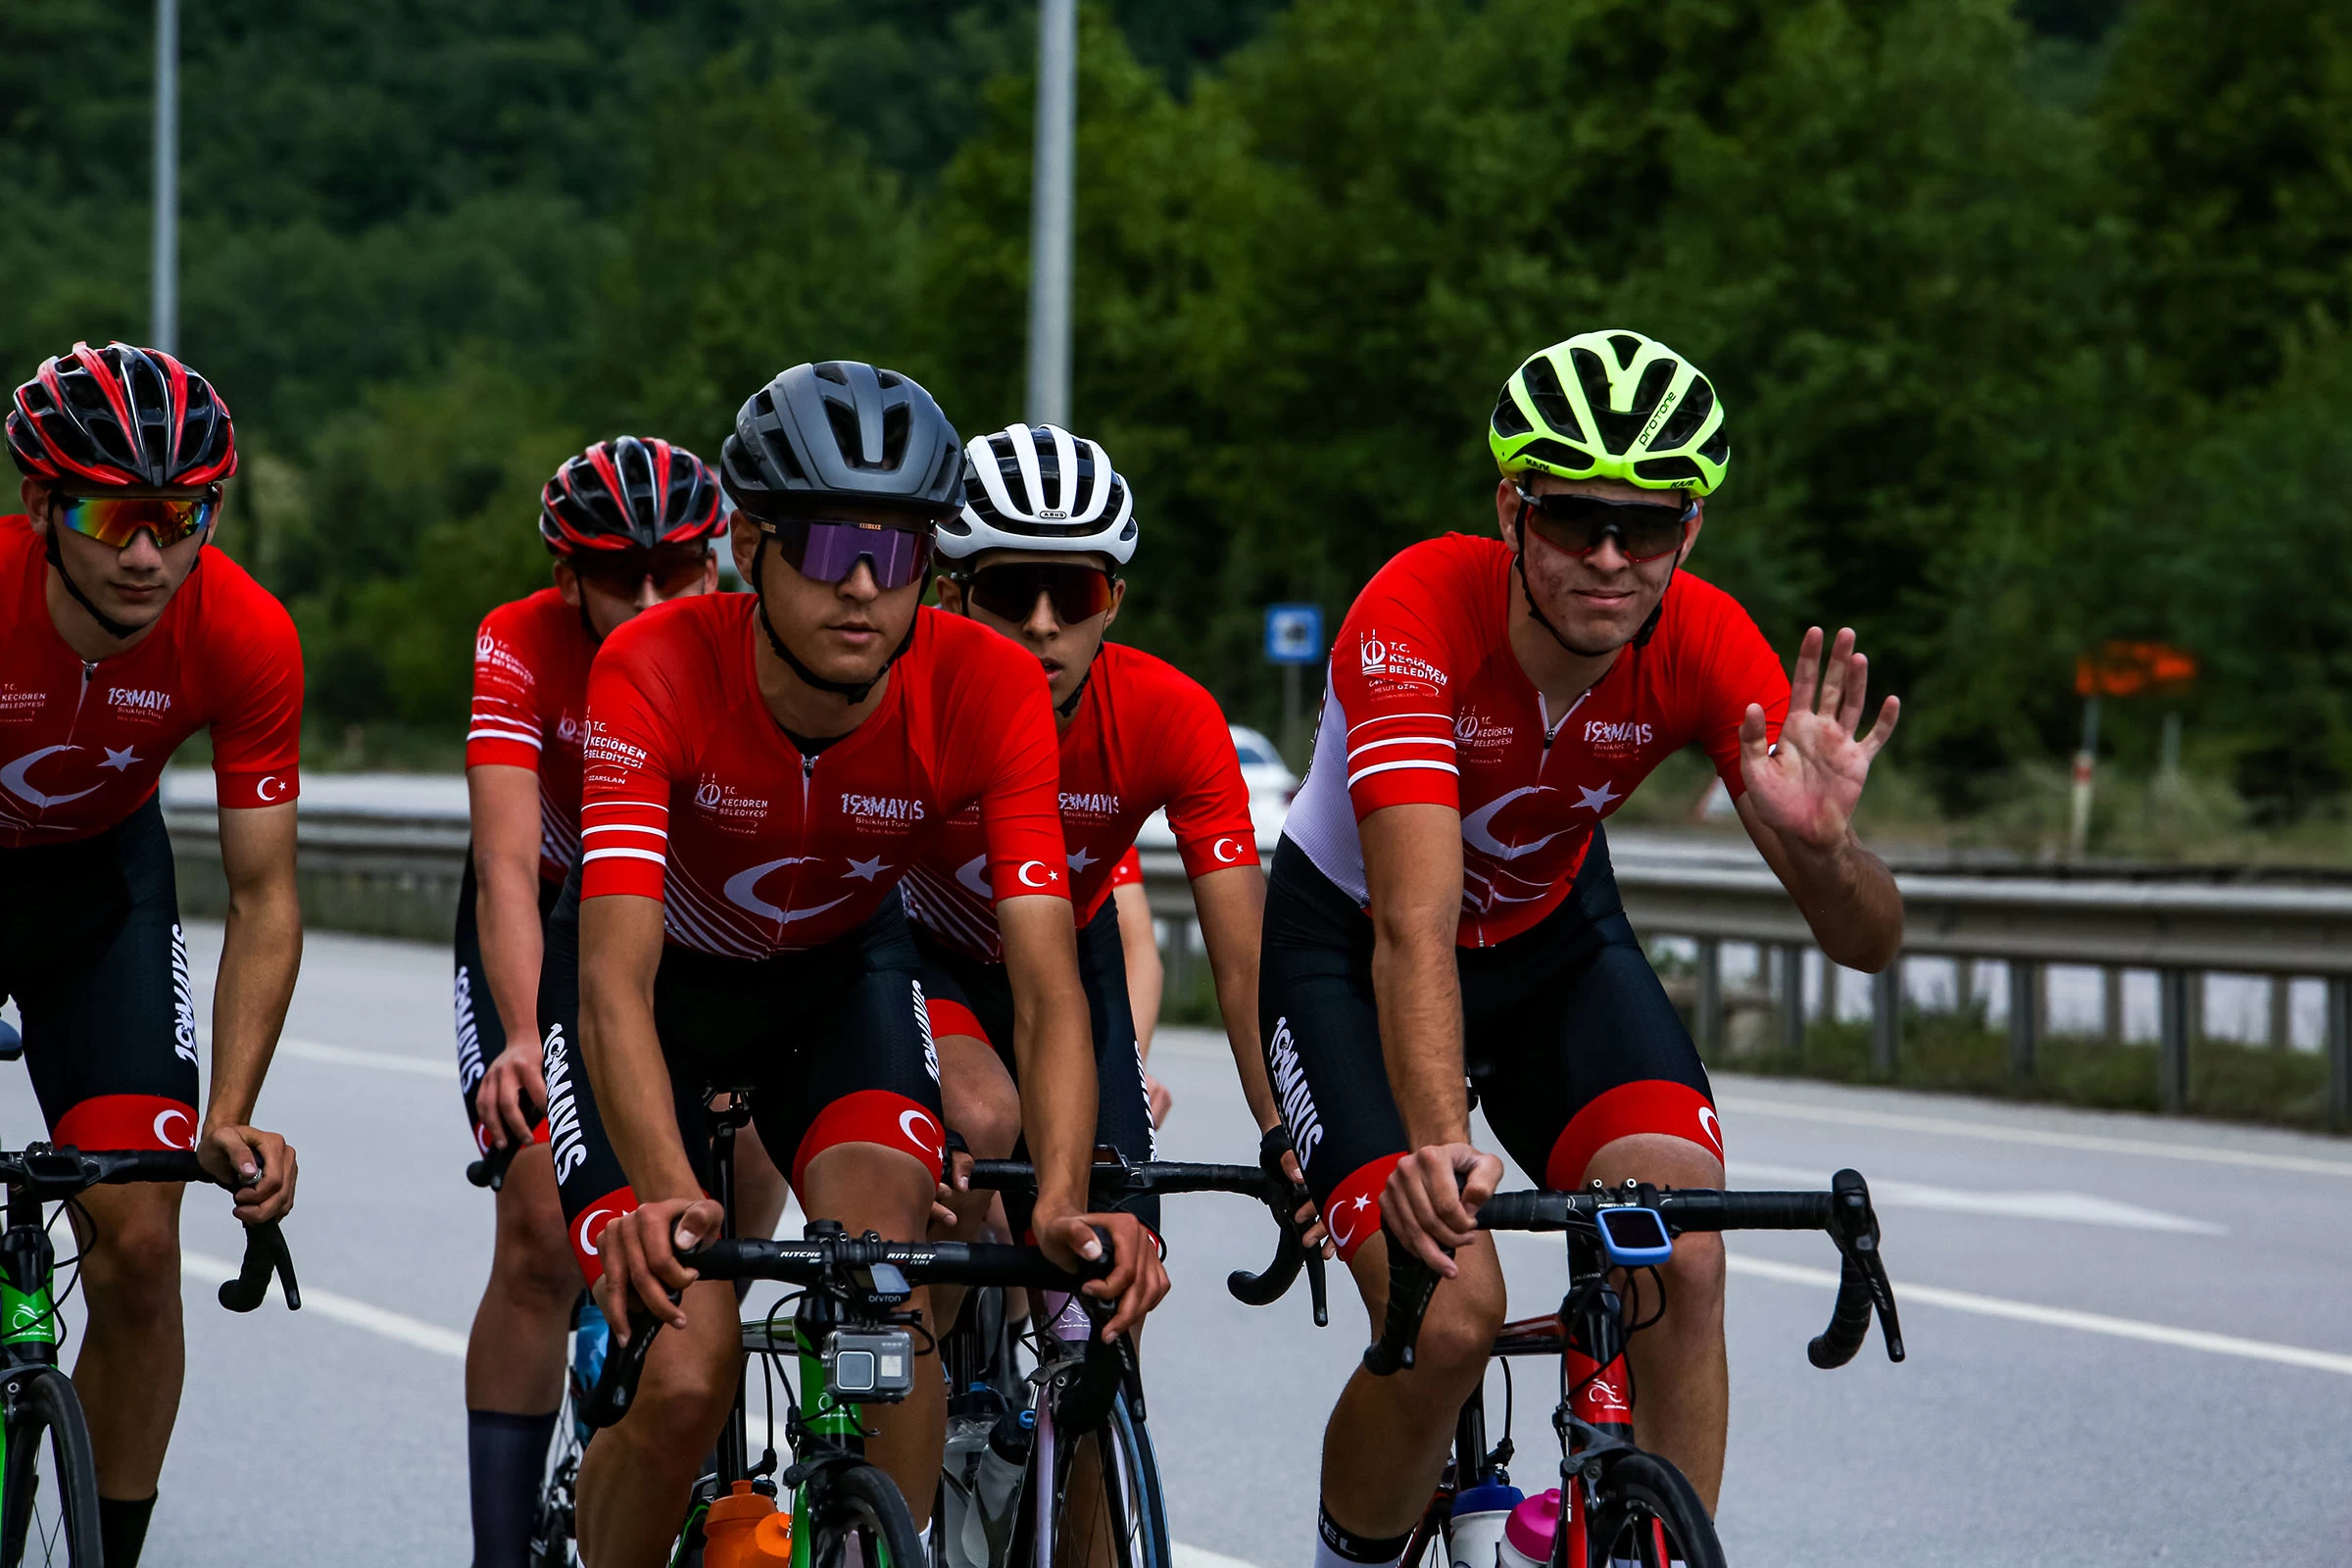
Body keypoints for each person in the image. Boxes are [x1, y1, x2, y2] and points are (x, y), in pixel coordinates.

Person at [1262, 329, 1903, 1568]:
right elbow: (1410, 924)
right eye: (1572, 521)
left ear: (1690, 531)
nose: (1609, 558)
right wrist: (1441, 1147)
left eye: (1647, 527)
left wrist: (1826, 852)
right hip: (1353, 950)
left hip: (1555, 943)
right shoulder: (1413, 613)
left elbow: (1867, 944)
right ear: (1512, 508)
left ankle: (1650, 1547)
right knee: (1449, 1314)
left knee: (1683, 1249)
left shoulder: (1709, 644)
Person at [541, 363, 1168, 1565]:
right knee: (687, 1372)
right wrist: (668, 1197)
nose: (868, 584)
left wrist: (1062, 1198)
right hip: (654, 998)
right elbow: (611, 984)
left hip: (839, 984)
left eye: (901, 546)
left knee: (887, 1292)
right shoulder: (656, 667)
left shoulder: (983, 683)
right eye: (830, 544)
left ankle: (882, 1542)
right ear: (749, 543)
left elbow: (1048, 985)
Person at [457, 436, 786, 1568]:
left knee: (729, 1219)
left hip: (689, 928)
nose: (650, 598)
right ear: (565, 577)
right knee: (544, 1226)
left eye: (677, 570)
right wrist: (516, 1036)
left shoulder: (748, 641)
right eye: (615, 575)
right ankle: (502, 1548)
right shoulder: (518, 641)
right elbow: (504, 862)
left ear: (719, 563)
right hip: (544, 920)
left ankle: (674, 1447)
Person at [1, 341, 305, 1567]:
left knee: (136, 1241)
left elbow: (265, 895)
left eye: (180, 516)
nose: (147, 551)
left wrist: (228, 1112)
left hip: (99, 896)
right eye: (114, 513)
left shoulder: (242, 632)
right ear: (39, 507)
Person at [904, 421, 1294, 1250]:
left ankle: (1094, 1377)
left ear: (1113, 600)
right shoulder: (900, 697)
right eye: (1012, 592)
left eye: (1073, 593)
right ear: (951, 594)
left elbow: (1244, 957)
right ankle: (934, 1354)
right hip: (924, 953)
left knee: (1120, 1244)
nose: (1044, 624)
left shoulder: (1172, 716)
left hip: (1074, 958)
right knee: (976, 1128)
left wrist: (1283, 1128)